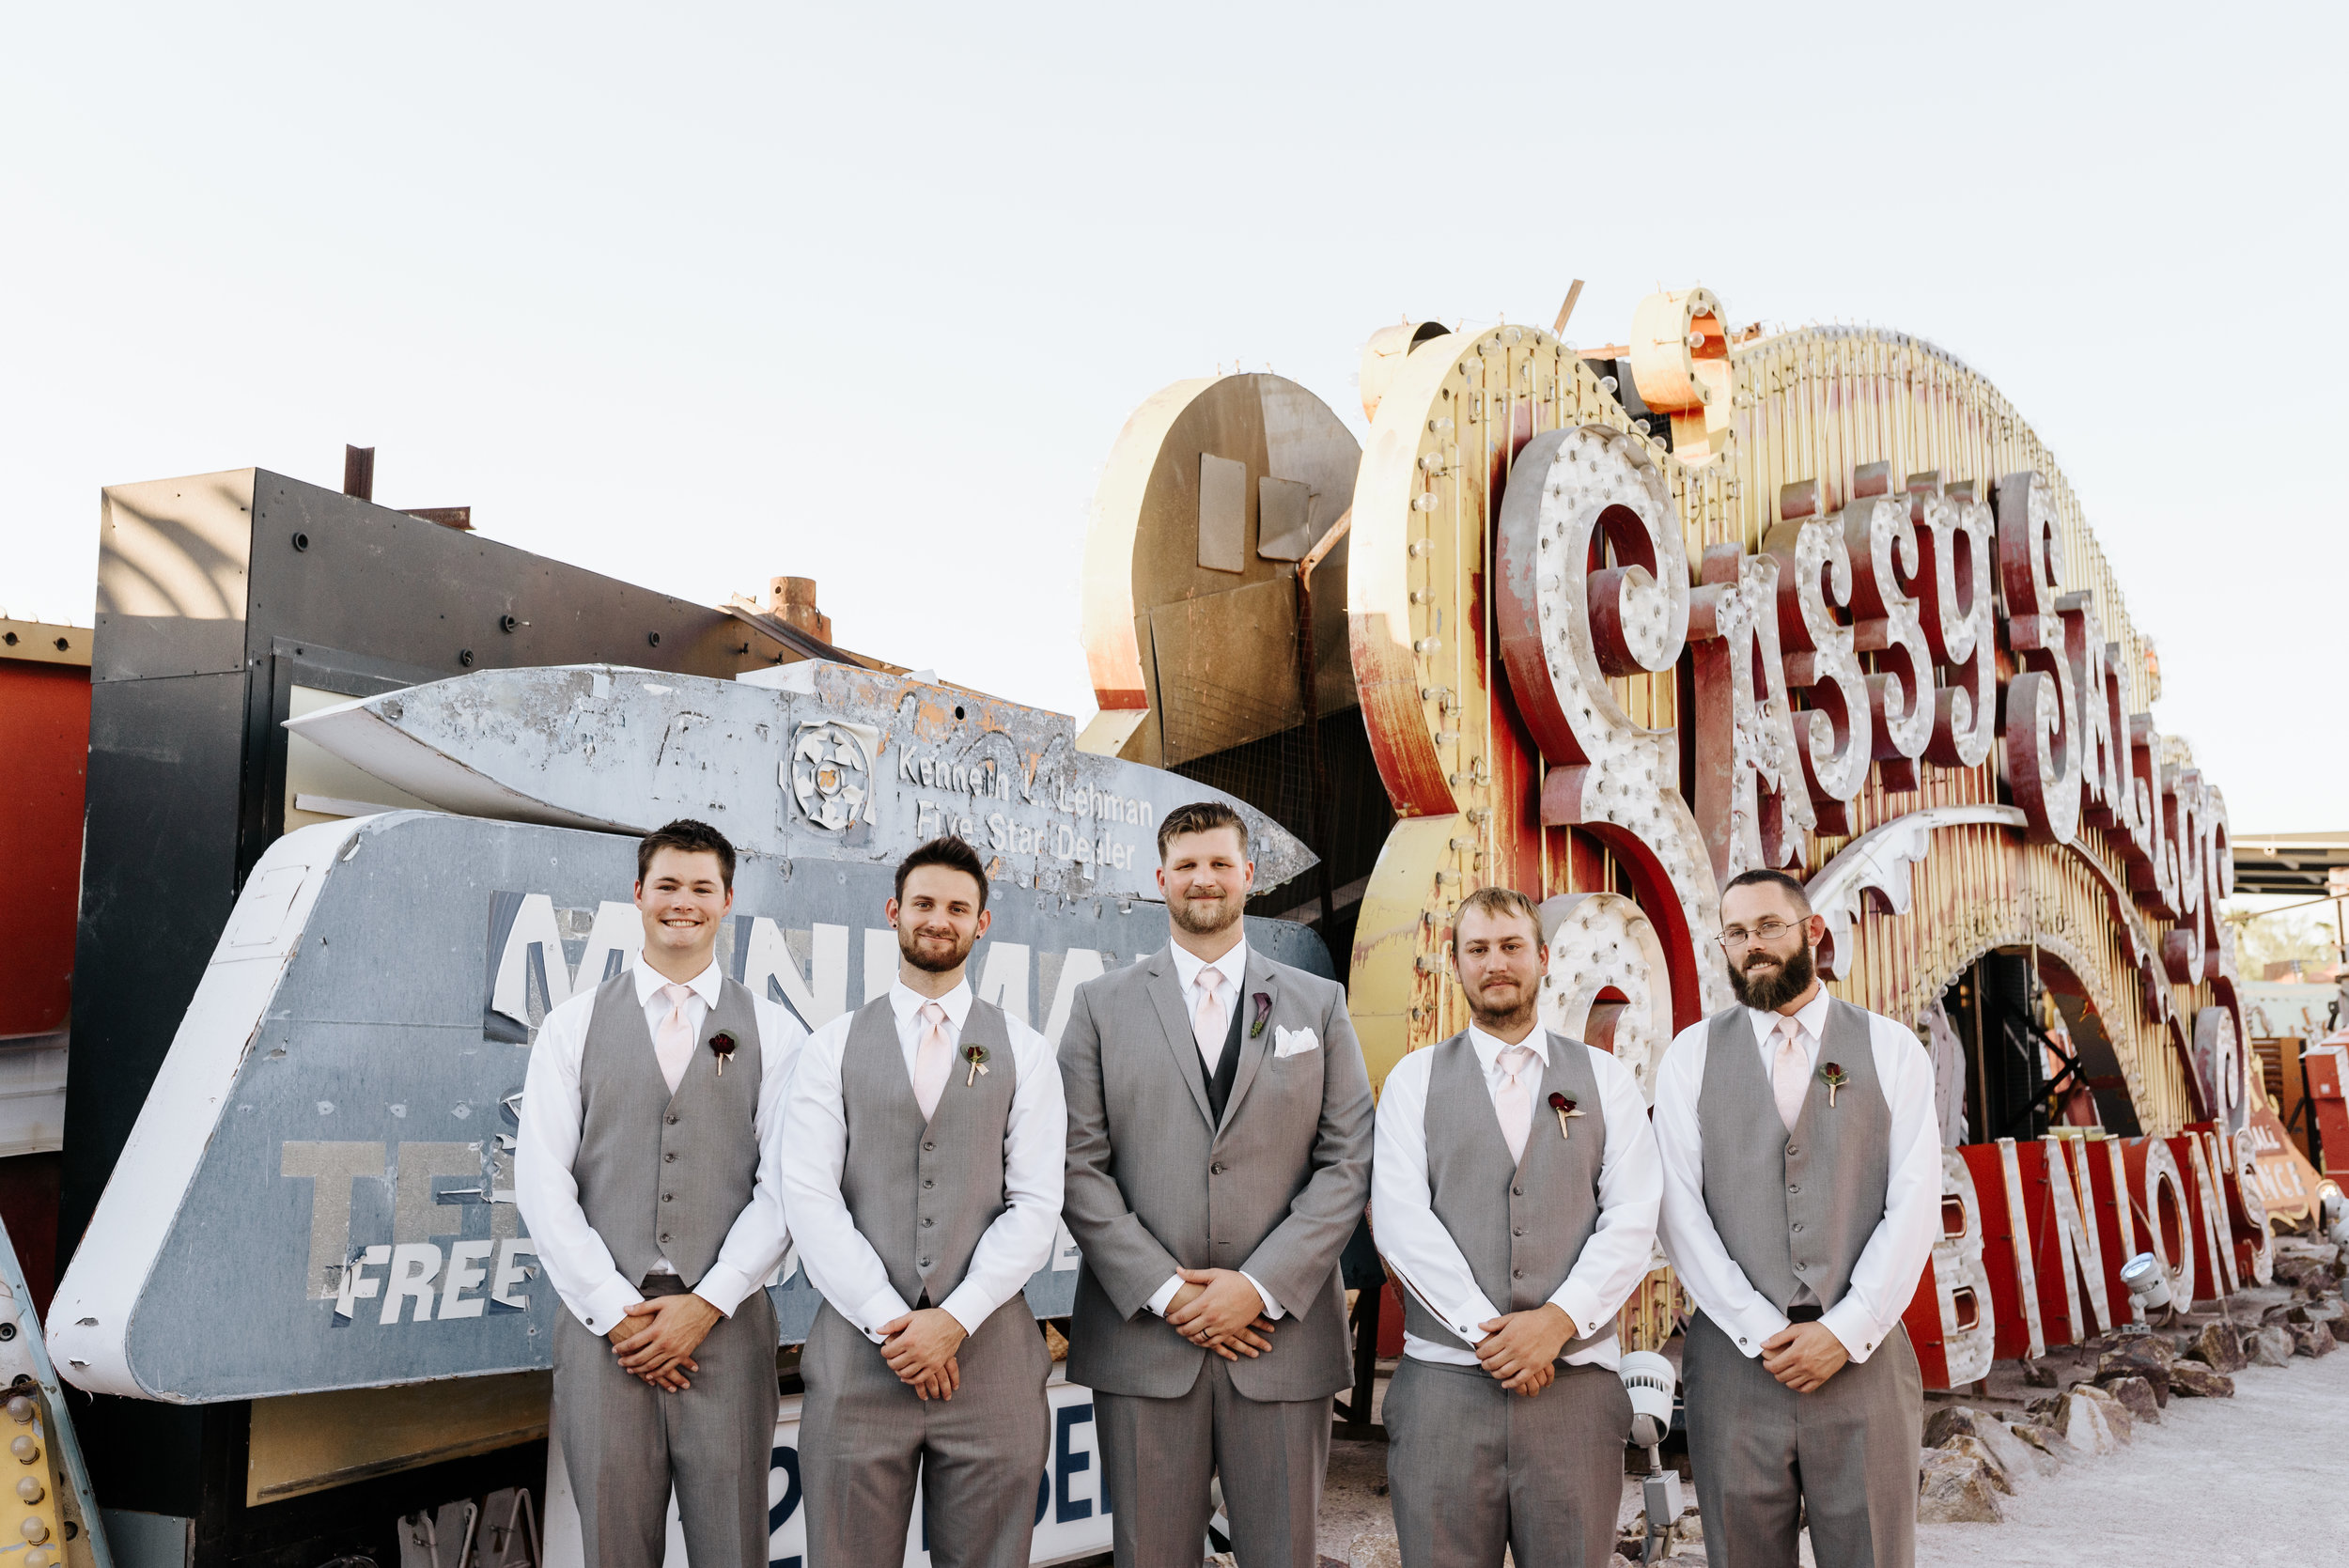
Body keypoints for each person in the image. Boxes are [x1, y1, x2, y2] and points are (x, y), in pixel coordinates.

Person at [1059, 800, 1376, 1568]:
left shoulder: (1317, 1005)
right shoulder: (1100, 1006)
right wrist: (1171, 1292)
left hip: (1282, 1338)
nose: (1204, 879)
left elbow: (1348, 1160)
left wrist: (1258, 1287)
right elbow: (1076, 1164)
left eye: (1220, 863)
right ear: (1161, 877)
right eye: (1188, 865)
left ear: (1249, 876)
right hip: (1144, 1339)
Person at [515, 818, 801, 1568]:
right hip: (602, 1334)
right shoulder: (571, 1027)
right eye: (668, 885)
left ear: (727, 900)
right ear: (638, 894)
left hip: (729, 1334)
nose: (684, 901)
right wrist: (617, 1314)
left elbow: (786, 1188)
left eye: (702, 887)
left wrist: (707, 1303)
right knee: (614, 1548)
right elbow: (544, 1185)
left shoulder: (774, 1031)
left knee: (734, 1548)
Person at [779, 836, 1066, 1568]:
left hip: (992, 1364)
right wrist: (894, 1323)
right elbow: (810, 1198)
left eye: (958, 907)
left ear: (982, 923)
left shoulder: (1027, 1052)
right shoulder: (832, 1047)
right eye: (925, 903)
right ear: (894, 912)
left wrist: (955, 1320)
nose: (940, 919)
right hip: (857, 1363)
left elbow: (1035, 1205)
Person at [1652, 868, 1940, 1568]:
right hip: (1733, 1366)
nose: (1754, 945)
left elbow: (1914, 1202)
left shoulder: (1891, 1047)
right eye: (1738, 932)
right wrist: (1761, 1329)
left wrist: (1845, 1330)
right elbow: (1678, 1211)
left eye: (1770, 927)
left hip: (1864, 1361)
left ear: (1812, 930)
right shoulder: (1690, 1054)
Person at [1371, 887, 1660, 1568]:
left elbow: (1632, 1216)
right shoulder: (1414, 1080)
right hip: (1445, 1387)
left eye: (1509, 946)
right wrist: (1491, 1334)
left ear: (1543, 956)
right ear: (1456, 963)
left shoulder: (1605, 1078)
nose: (1495, 963)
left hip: (1575, 1392)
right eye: (1478, 949)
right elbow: (1402, 1220)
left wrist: (1556, 1321)